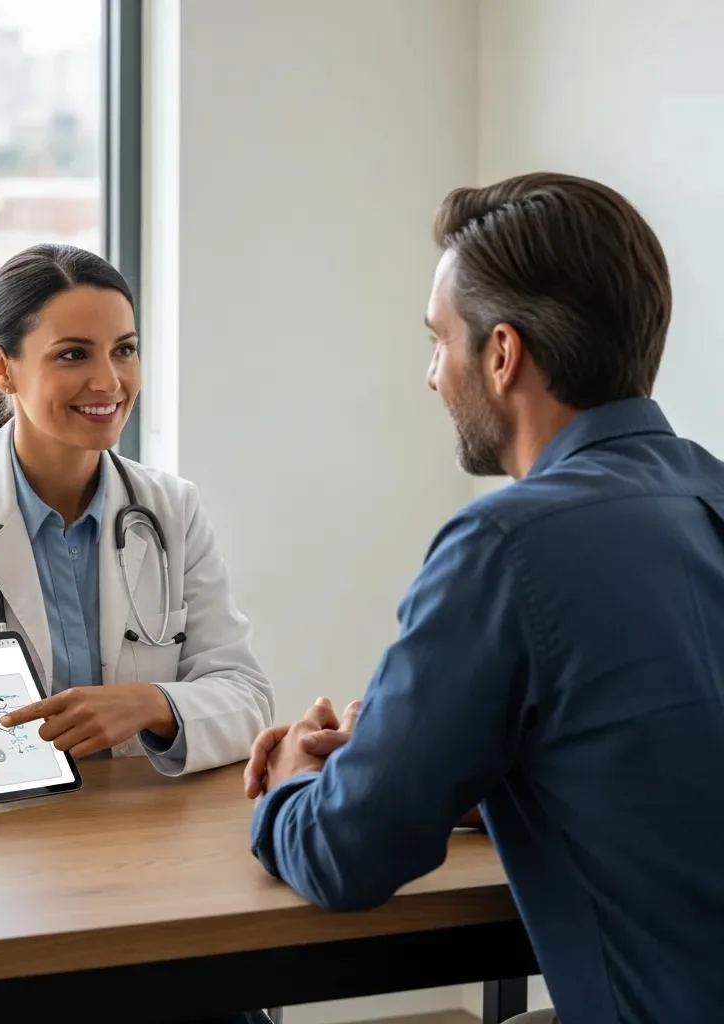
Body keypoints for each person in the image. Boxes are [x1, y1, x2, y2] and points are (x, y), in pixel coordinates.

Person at [243, 173, 724, 1024]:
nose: (432, 375)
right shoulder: (707, 495)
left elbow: (346, 856)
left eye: (439, 340)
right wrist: (453, 765)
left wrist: (292, 783)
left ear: (502, 355)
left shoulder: (507, 545)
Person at [0, 243, 274, 831]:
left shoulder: (172, 510)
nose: (109, 381)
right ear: (1, 367)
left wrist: (152, 703)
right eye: (73, 354)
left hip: (142, 831)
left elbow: (248, 698)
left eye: (125, 350)